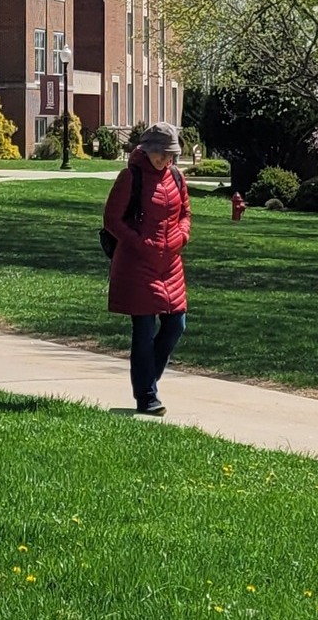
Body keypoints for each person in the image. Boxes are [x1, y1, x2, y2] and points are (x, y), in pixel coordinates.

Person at [102, 121, 190, 416]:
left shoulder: (176, 177)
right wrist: (139, 242)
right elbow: (111, 219)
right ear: (147, 150)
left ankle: (147, 378)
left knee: (176, 324)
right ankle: (147, 397)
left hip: (170, 264)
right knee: (144, 328)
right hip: (138, 264)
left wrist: (182, 235)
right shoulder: (131, 176)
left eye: (170, 154)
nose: (164, 159)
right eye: (160, 153)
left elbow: (185, 213)